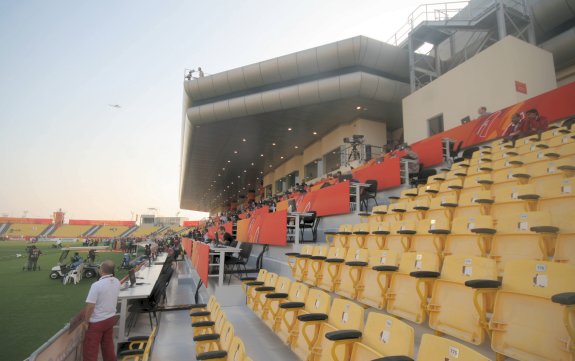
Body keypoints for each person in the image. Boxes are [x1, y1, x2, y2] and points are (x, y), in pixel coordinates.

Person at [82, 260, 121, 361]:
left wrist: (86, 322)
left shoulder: (96, 285)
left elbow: (90, 306)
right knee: (108, 346)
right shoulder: (116, 281)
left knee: (90, 350)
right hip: (110, 319)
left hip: (97, 322)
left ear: (101, 270)